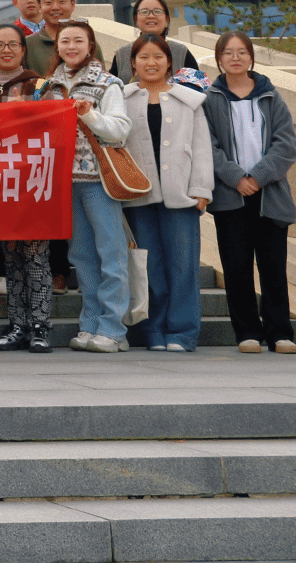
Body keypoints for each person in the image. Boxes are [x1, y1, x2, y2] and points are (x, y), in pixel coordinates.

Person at [37, 19, 133, 352]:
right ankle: (90, 324)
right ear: (57, 46)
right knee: (82, 256)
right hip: (65, 182)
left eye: (78, 40)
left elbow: (120, 130)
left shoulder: (108, 83)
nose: (71, 47)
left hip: (99, 181)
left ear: (90, 46)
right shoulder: (48, 86)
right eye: (65, 41)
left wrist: (89, 115)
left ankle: (113, 329)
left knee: (112, 255)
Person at [203, 31, 296, 354]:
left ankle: (279, 332)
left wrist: (257, 177)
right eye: (228, 52)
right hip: (231, 196)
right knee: (236, 267)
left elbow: (286, 145)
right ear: (219, 59)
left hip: (269, 194)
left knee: (273, 266)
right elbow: (208, 146)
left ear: (251, 57)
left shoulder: (271, 96)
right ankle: (246, 332)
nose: (235, 57)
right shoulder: (211, 99)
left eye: (242, 52)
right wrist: (236, 178)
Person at [121, 36, 215, 352]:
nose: (151, 63)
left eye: (158, 57)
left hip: (181, 194)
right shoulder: (122, 99)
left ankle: (182, 332)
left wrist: (201, 189)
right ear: (133, 63)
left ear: (169, 62)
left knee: (183, 265)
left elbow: (202, 147)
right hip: (138, 196)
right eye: (144, 57)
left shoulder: (189, 100)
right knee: (148, 267)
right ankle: (153, 332)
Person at [0, 23, 52, 353]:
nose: (6, 50)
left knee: (35, 255)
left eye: (13, 44)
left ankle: (40, 326)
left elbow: (53, 127)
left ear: (23, 49)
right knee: (11, 257)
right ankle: (17, 325)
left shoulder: (40, 85)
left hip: (33, 182)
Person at [110, 0, 202, 80]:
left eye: (157, 11)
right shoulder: (122, 54)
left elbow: (198, 87)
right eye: (144, 12)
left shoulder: (181, 52)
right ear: (135, 19)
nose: (151, 16)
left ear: (166, 19)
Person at [24, 0, 78, 75]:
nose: (55, 7)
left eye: (61, 1)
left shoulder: (88, 44)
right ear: (40, 7)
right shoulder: (27, 46)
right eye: (48, 2)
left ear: (73, 4)